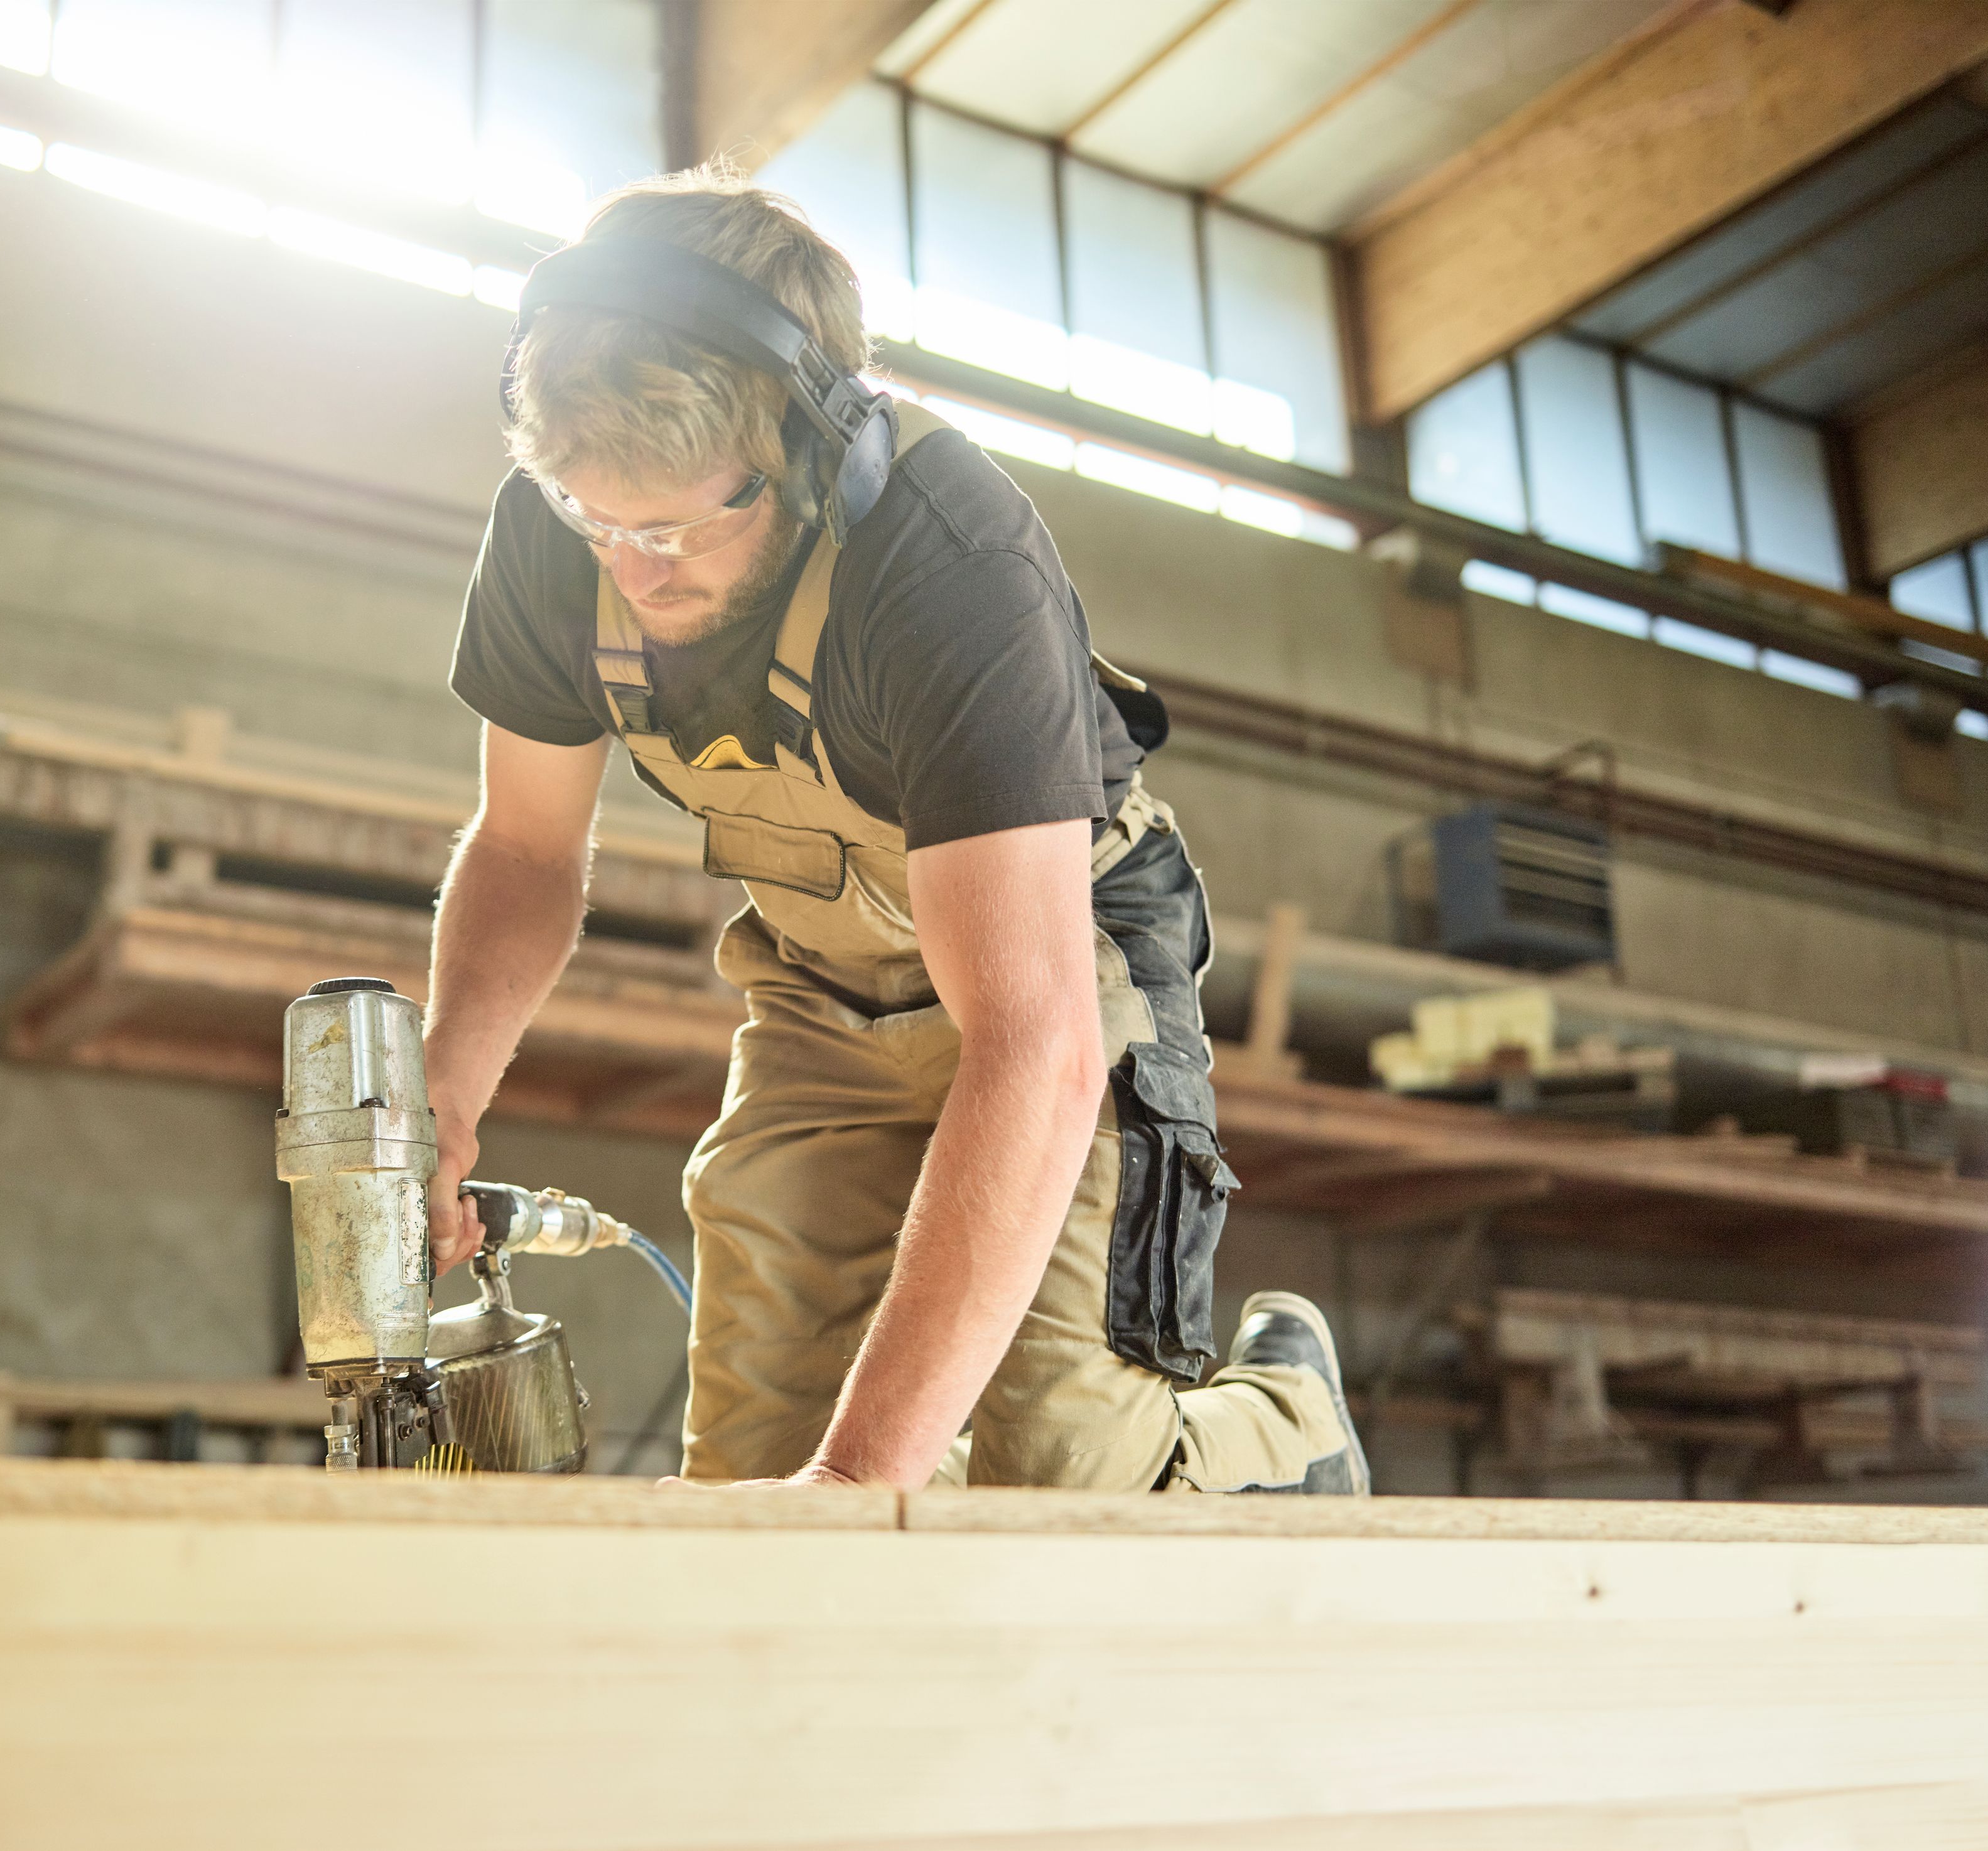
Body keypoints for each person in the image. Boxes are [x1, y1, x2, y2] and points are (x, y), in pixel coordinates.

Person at [421, 167, 1365, 1496]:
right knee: (751, 1476)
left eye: (688, 521)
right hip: (820, 991)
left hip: (1065, 967)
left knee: (1052, 1472)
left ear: (806, 443)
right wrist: (441, 1100)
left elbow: (1031, 1039)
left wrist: (865, 1479)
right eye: (602, 519)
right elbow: (522, 853)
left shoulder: (947, 565)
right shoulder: (553, 537)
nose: (638, 568)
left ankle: (1287, 1428)